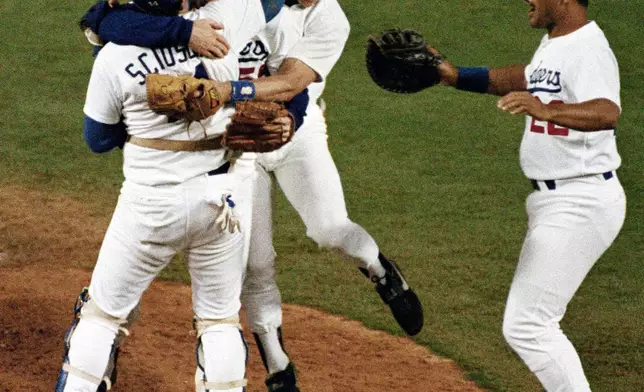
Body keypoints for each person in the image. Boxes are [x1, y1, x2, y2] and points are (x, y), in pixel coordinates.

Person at [80, 1, 424, 391]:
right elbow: (107, 18)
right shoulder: (242, 4)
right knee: (255, 266)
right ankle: (279, 370)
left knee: (329, 229)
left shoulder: (328, 19)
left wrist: (275, 112)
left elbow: (293, 83)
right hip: (232, 145)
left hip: (290, 130)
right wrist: (187, 35)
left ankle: (379, 268)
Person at [55, 1, 291, 391]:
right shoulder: (224, 22)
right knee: (219, 321)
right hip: (222, 204)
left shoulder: (114, 56)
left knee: (102, 316)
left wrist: (138, 126)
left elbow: (97, 140)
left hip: (151, 207)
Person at [430, 1, 625, 390]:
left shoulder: (590, 48)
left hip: (580, 201)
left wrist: (547, 111)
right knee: (532, 324)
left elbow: (607, 112)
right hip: (556, 199)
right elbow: (527, 77)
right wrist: (456, 76)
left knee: (529, 326)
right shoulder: (557, 40)